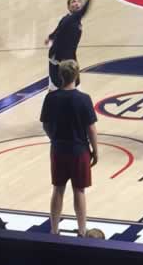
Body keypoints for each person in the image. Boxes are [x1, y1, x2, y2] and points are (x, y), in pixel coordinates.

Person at [37, 59, 98, 236]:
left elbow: (46, 125)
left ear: (60, 76)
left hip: (58, 150)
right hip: (79, 151)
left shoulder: (50, 97)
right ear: (76, 75)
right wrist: (95, 150)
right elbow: (91, 129)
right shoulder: (84, 99)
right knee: (79, 190)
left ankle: (54, 230)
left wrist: (54, 138)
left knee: (58, 189)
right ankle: (81, 230)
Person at [45, 0, 92, 86]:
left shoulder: (68, 19)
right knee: (64, 85)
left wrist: (50, 37)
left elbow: (58, 30)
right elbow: (84, 11)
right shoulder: (71, 19)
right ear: (69, 7)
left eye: (79, 1)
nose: (77, 3)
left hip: (68, 56)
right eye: (73, 2)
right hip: (60, 58)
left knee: (70, 84)